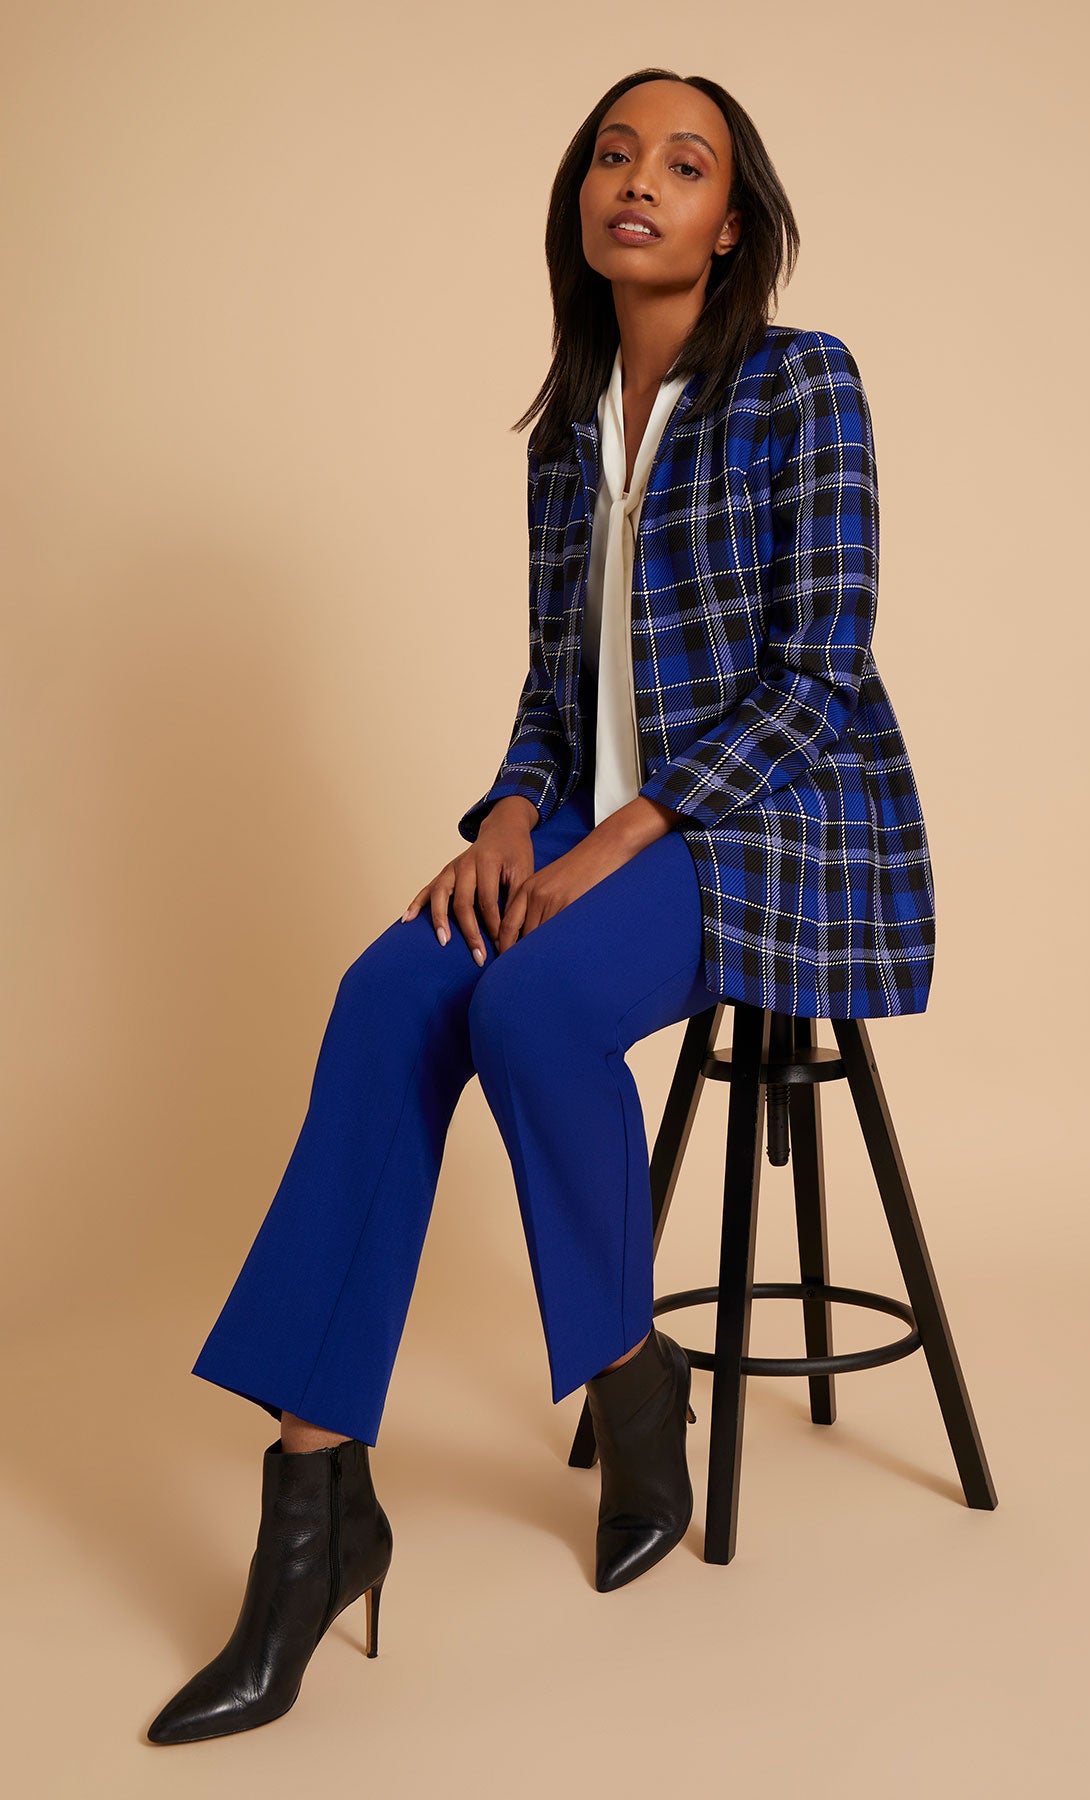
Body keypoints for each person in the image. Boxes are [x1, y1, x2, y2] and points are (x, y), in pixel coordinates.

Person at [146, 66, 936, 1747]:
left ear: (732, 226)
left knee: (528, 1001)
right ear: (581, 202)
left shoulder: (802, 382)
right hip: (592, 825)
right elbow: (550, 688)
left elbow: (820, 674)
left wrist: (613, 842)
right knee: (388, 992)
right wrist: (515, 815)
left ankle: (630, 1379)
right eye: (612, 155)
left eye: (683, 163)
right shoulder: (568, 433)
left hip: (764, 828)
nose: (637, 180)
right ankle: (316, 1515)